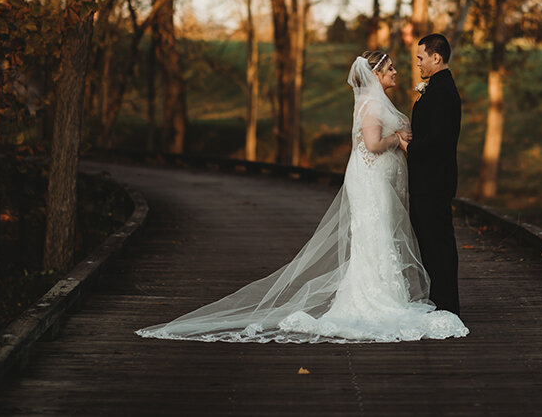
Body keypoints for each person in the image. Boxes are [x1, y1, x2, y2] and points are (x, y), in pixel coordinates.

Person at [135, 51, 467, 343]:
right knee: (374, 235)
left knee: (382, 237)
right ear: (377, 73)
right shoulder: (370, 103)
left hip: (382, 180)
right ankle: (372, 298)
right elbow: (372, 144)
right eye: (390, 68)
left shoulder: (381, 100)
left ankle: (388, 293)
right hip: (370, 181)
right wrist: (397, 139)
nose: (398, 72)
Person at [407, 33, 462, 314]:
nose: (418, 63)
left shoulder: (441, 92)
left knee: (437, 241)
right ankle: (440, 299)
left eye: (421, 58)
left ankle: (446, 303)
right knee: (432, 241)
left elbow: (438, 140)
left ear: (436, 57)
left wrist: (409, 145)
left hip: (433, 180)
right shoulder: (438, 87)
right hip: (431, 179)